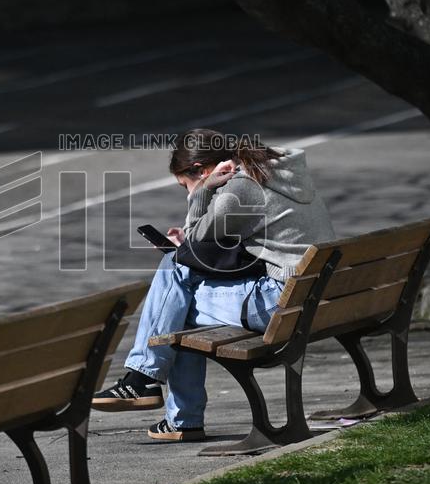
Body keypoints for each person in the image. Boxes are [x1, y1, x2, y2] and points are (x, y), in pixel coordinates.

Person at [91, 128, 336, 441]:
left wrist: (202, 192)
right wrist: (189, 244)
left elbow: (193, 243)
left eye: (186, 184)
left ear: (202, 170)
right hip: (318, 296)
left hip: (281, 303)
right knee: (177, 290)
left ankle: (150, 385)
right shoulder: (274, 170)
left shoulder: (240, 187)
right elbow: (237, 243)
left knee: (176, 288)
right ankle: (156, 394)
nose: (187, 192)